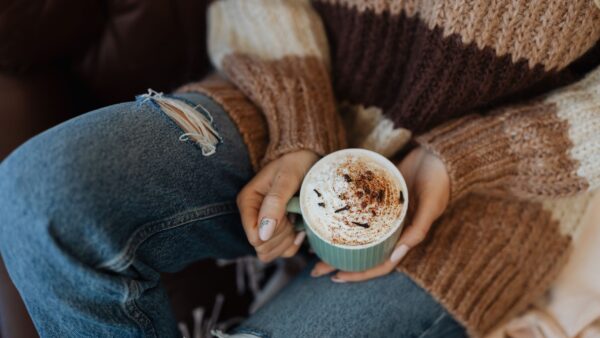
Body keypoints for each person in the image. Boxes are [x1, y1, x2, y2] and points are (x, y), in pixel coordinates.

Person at [0, 0, 599, 337]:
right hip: (291, 88)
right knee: (37, 198)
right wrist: (299, 123)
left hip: (497, 183)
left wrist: (468, 159)